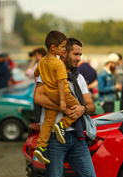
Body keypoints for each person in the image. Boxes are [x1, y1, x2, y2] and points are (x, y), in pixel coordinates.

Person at [34, 38, 96, 177]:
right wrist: (65, 109)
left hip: (76, 136)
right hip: (54, 138)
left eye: (80, 55)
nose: (79, 58)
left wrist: (83, 109)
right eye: (75, 54)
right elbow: (38, 98)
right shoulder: (49, 71)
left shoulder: (79, 78)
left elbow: (91, 105)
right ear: (64, 53)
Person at [33, 30, 84, 164]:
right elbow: (61, 82)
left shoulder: (42, 61)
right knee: (79, 108)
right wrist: (63, 101)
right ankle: (62, 125)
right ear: (53, 47)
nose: (63, 50)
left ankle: (40, 147)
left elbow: (35, 73)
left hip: (49, 94)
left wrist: (43, 74)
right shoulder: (58, 64)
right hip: (63, 94)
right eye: (62, 47)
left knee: (49, 122)